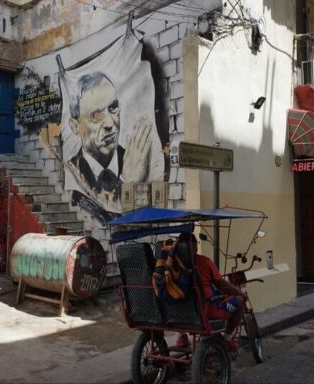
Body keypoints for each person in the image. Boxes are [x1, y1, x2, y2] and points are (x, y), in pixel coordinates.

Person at [67, 71, 157, 223]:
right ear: (75, 126)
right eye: (96, 115)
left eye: (113, 107)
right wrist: (126, 183)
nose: (109, 123)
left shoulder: (138, 161)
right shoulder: (72, 172)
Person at [176, 232, 246, 352]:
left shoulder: (171, 264)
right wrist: (239, 293)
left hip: (178, 312)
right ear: (195, 246)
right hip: (206, 309)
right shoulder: (204, 261)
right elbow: (222, 284)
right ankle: (228, 338)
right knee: (240, 302)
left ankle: (181, 336)